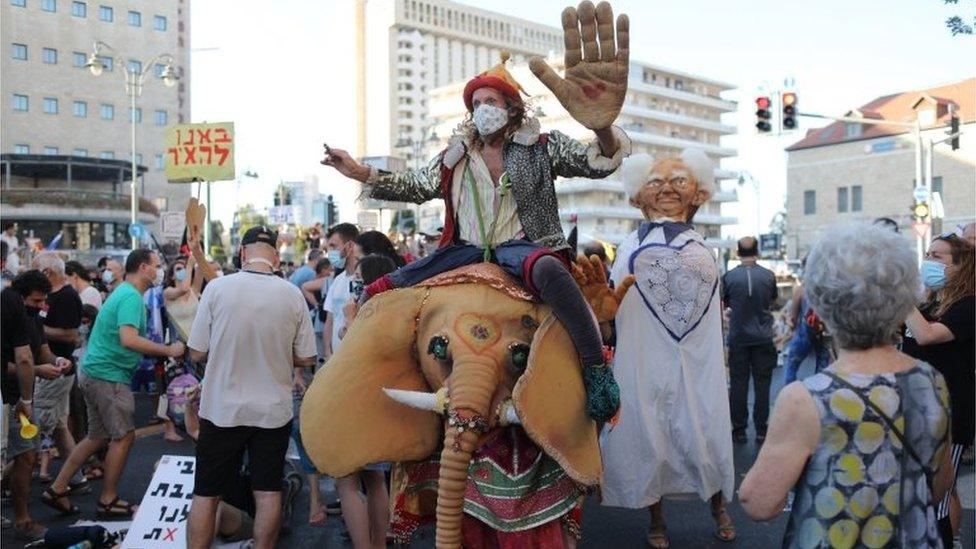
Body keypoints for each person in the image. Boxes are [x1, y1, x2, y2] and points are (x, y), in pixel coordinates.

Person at [323, 42, 632, 422]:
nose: (482, 109)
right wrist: (357, 170)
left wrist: (601, 127)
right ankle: (367, 375)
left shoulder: (540, 147)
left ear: (512, 108)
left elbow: (595, 163)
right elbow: (414, 186)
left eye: (491, 101)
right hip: (464, 250)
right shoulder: (455, 157)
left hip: (522, 245)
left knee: (551, 272)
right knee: (386, 287)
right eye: (477, 103)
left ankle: (594, 366)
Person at [739, 223, 952, 549]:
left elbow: (760, 503)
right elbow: (940, 487)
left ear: (823, 308)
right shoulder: (930, 380)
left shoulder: (804, 398)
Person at [600, 150, 736, 547]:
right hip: (643, 355)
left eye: (679, 180)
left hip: (696, 359)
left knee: (704, 427)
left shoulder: (701, 247)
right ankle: (655, 519)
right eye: (655, 182)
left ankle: (719, 507)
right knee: (648, 430)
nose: (667, 189)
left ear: (699, 194)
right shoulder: (626, 247)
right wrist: (603, 309)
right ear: (636, 196)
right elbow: (612, 308)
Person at [186, 226, 317, 549]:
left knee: (206, 495)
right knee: (268, 492)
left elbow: (197, 352)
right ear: (274, 256)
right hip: (272, 411)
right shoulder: (291, 294)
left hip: (221, 409)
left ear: (243, 253)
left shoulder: (217, 289)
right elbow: (306, 357)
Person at [42, 249, 185, 519]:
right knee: (124, 435)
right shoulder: (131, 296)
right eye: (156, 265)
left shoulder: (124, 293)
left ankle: (58, 487)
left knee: (97, 436)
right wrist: (168, 350)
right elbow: (128, 339)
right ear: (143, 267)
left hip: (95, 372)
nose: (160, 270)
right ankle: (107, 499)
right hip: (109, 376)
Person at [903, 233, 975, 548]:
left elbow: (927, 336)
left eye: (937, 256)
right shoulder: (929, 301)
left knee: (939, 498)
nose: (928, 261)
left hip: (949, 412)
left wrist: (901, 298)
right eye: (928, 254)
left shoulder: (969, 305)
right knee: (928, 491)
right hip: (916, 406)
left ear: (960, 266)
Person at [31, 253, 90, 492]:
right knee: (58, 425)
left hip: (55, 370)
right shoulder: (51, 296)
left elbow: (70, 334)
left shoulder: (66, 296)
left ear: (46, 272)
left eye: (33, 270)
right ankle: (76, 478)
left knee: (37, 423)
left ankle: (11, 475)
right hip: (54, 367)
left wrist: (36, 329)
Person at [2, 272, 47, 541]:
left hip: (13, 395)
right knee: (27, 455)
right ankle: (22, 519)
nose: (40, 306)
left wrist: (54, 363)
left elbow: (37, 354)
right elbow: (25, 359)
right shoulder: (11, 303)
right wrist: (27, 399)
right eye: (36, 300)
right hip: (12, 397)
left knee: (25, 454)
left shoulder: (20, 309)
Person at [723, 237, 778, 444]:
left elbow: (726, 302)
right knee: (763, 384)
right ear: (758, 252)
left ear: (737, 253)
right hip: (763, 338)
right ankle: (762, 429)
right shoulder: (768, 276)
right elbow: (772, 300)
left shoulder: (729, 277)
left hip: (738, 337)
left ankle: (739, 430)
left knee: (738, 384)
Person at [783, 258, 832, 385]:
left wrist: (791, 327)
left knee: (792, 365)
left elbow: (792, 317)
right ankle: (819, 396)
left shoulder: (800, 290)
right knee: (823, 368)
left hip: (804, 333)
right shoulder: (830, 290)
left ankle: (790, 393)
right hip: (825, 334)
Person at [322, 223, 360, 362]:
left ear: (349, 246)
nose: (330, 252)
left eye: (333, 246)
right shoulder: (337, 280)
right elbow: (329, 321)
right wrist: (327, 353)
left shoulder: (365, 281)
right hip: (335, 361)